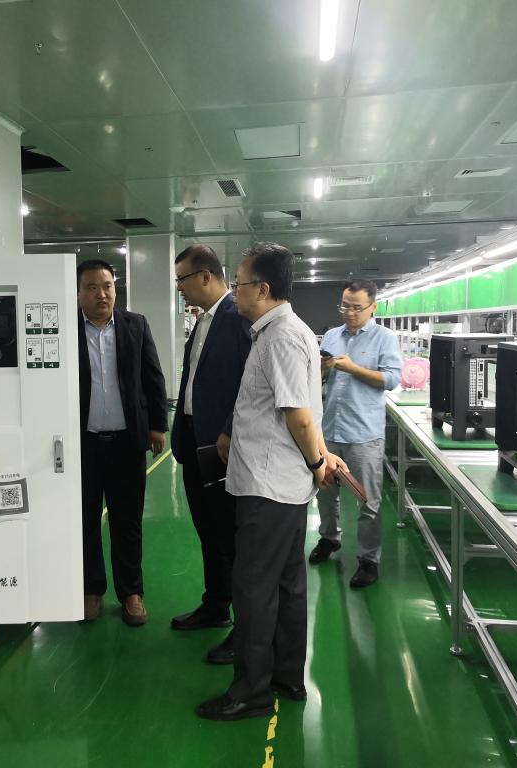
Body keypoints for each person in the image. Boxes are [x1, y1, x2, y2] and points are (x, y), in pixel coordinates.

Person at [196, 242, 344, 722]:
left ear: (262, 289)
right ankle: (285, 675)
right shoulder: (285, 331)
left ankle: (251, 691)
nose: (234, 290)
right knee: (287, 583)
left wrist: (318, 460)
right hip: (281, 483)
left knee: (254, 590)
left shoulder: (280, 336)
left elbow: (298, 415)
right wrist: (321, 455)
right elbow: (305, 410)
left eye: (239, 283)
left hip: (268, 486)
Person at [170, 245, 252, 665]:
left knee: (231, 538)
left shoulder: (237, 319)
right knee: (208, 530)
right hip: (194, 442)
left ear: (205, 276)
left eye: (181, 279)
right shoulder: (202, 321)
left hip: (222, 447)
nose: (179, 288)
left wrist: (230, 430)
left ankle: (246, 628)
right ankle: (216, 603)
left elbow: (250, 384)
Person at [76, 259, 168, 626]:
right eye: (92, 287)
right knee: (85, 520)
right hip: (82, 444)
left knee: (127, 521)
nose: (102, 294)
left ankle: (131, 592)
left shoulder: (135, 325)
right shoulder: (66, 329)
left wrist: (157, 426)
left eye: (108, 286)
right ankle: (90, 589)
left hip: (126, 443)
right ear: (78, 293)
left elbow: (153, 376)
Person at [309, 279, 402, 587]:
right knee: (325, 492)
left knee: (367, 500)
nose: (349, 313)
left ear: (373, 307)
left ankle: (368, 559)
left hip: (364, 434)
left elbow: (391, 380)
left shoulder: (384, 338)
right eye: (344, 306)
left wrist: (352, 368)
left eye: (356, 308)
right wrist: (323, 367)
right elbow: (318, 378)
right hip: (330, 430)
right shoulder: (332, 336)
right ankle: (329, 538)